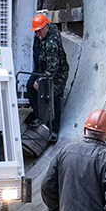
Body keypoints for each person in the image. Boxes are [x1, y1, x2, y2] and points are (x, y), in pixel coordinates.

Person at [31, 13, 69, 143]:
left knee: (54, 97)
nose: (37, 35)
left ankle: (54, 129)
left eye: (39, 32)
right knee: (30, 86)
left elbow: (53, 69)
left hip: (57, 75)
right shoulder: (43, 35)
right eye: (36, 32)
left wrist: (41, 81)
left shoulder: (51, 44)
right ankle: (38, 115)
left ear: (45, 28)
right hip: (42, 69)